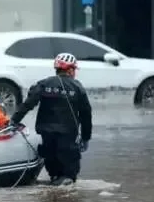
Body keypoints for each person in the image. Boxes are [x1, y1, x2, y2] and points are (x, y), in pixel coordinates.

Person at [9, 53, 92, 186]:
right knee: (69, 177)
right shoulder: (77, 87)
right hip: (68, 137)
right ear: (70, 70)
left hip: (46, 134)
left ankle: (54, 191)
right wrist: (86, 137)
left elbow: (27, 105)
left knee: (53, 173)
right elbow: (86, 114)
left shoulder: (43, 84)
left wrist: (14, 120)